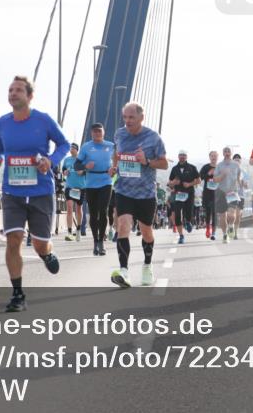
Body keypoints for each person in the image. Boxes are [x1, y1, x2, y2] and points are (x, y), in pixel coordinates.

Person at [0, 76, 69, 312]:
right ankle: (17, 294)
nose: (13, 94)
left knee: (40, 245)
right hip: (12, 191)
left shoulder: (43, 120)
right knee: (14, 240)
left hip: (41, 191)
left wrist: (50, 161)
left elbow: (63, 144)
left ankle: (46, 254)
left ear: (30, 96)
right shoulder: (3, 122)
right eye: (10, 90)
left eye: (18, 90)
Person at [108, 102, 168, 287]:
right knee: (123, 225)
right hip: (124, 189)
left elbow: (164, 164)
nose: (127, 121)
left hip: (145, 193)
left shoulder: (153, 138)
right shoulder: (119, 134)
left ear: (141, 118)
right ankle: (124, 271)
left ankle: (147, 265)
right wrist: (114, 167)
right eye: (125, 117)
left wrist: (147, 161)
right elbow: (116, 153)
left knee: (146, 232)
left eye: (131, 117)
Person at [75, 123, 115, 256]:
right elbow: (76, 165)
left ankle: (102, 243)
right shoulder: (86, 147)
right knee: (93, 214)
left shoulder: (110, 146)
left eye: (99, 131)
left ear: (103, 132)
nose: (97, 134)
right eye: (94, 132)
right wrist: (86, 166)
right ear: (91, 133)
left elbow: (118, 161)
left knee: (103, 211)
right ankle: (95, 241)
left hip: (106, 181)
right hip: (91, 183)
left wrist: (114, 169)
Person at [168, 150, 200, 244]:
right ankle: (181, 236)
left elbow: (199, 180)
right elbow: (169, 184)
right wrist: (173, 183)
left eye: (184, 155)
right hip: (178, 195)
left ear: (186, 157)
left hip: (189, 193)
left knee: (189, 212)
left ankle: (188, 221)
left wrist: (189, 184)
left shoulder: (192, 167)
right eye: (180, 155)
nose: (182, 157)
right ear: (178, 156)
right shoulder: (174, 169)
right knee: (177, 214)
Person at [214, 146, 243, 242]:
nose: (227, 153)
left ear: (231, 153)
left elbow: (239, 177)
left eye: (228, 151)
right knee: (223, 216)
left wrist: (240, 184)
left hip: (232, 192)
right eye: (225, 151)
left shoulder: (236, 165)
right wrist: (223, 174)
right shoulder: (219, 165)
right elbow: (215, 179)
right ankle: (225, 235)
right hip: (221, 191)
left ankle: (231, 226)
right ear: (223, 153)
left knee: (231, 214)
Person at [61, 143, 86, 242]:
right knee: (70, 208)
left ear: (77, 150)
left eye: (73, 148)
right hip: (70, 187)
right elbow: (63, 171)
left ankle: (79, 229)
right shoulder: (67, 160)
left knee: (79, 209)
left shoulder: (82, 160)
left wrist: (82, 172)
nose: (71, 150)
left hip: (80, 187)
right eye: (70, 148)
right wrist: (65, 172)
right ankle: (69, 232)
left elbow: (87, 170)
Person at [199, 151, 220, 240]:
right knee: (208, 212)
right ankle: (208, 229)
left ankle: (214, 233)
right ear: (209, 157)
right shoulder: (205, 167)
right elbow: (200, 177)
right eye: (212, 156)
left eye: (215, 156)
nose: (214, 157)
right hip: (207, 193)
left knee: (215, 213)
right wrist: (208, 174)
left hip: (217, 193)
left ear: (218, 157)